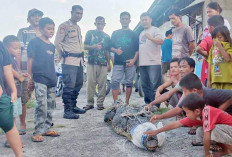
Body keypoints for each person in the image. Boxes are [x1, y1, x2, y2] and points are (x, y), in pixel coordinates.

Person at [145, 93, 232, 157]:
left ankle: (228, 149)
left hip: (229, 129)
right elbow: (176, 124)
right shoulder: (197, 114)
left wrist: (207, 155)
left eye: (187, 112)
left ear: (197, 111)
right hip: (225, 131)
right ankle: (225, 148)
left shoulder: (207, 112)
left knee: (210, 132)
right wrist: (157, 131)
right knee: (200, 131)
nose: (186, 115)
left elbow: (207, 136)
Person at [27, 17, 59, 142]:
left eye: (53, 29)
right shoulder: (34, 43)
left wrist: (54, 76)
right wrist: (30, 78)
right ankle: (37, 131)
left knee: (51, 105)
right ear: (41, 29)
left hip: (51, 78)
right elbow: (30, 60)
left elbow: (51, 62)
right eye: (49, 29)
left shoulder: (51, 46)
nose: (51, 31)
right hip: (40, 78)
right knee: (42, 105)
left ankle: (46, 128)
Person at [55, 5, 86, 119]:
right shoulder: (64, 26)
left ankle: (73, 106)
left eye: (81, 14)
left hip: (79, 61)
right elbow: (57, 42)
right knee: (69, 85)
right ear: (71, 12)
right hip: (69, 60)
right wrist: (62, 54)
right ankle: (67, 110)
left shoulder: (77, 27)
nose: (79, 15)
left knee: (79, 83)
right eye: (77, 13)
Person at [17, 8, 43, 135]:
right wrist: (18, 70)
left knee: (42, 97)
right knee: (24, 98)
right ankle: (22, 123)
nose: (37, 18)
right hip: (26, 70)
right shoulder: (24, 31)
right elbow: (18, 51)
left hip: (41, 70)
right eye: (34, 16)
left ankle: (42, 122)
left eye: (39, 16)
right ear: (28, 18)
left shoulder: (45, 33)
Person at [110, 11, 139, 105]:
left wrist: (134, 60)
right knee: (114, 82)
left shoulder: (134, 34)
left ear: (130, 20)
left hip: (130, 62)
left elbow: (137, 50)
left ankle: (126, 103)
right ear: (120, 20)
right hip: (118, 62)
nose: (124, 20)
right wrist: (115, 51)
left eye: (126, 19)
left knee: (129, 83)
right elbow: (109, 47)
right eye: (123, 18)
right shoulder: (115, 33)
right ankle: (115, 103)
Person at [0, 42, 23, 156]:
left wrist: (13, 90)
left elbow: (7, 69)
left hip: (1, 95)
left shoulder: (1, 46)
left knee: (9, 125)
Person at [83, 16, 111, 110]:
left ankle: (100, 103)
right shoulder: (90, 33)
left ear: (104, 24)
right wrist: (94, 46)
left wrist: (109, 63)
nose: (100, 25)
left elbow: (107, 51)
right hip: (91, 62)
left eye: (102, 23)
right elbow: (85, 46)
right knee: (90, 83)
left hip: (103, 63)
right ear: (95, 24)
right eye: (98, 23)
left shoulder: (107, 37)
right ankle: (89, 103)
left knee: (102, 84)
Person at [139, 12, 163, 106]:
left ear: (150, 20)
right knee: (145, 85)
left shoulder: (155, 30)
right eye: (142, 20)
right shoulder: (141, 33)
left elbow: (161, 41)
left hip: (153, 62)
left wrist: (151, 38)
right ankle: (148, 104)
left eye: (146, 19)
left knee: (155, 86)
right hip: (142, 63)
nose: (144, 22)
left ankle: (156, 105)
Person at [196, 15, 224, 86]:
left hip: (211, 77)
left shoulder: (208, 39)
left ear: (211, 28)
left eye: (208, 27)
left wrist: (206, 55)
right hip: (224, 76)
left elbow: (198, 48)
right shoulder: (227, 39)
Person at [207, 25, 232, 90]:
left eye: (219, 37)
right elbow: (210, 64)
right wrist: (209, 80)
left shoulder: (228, 45)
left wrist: (220, 47)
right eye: (215, 38)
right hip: (215, 80)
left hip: (227, 80)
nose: (217, 40)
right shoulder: (212, 48)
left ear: (226, 38)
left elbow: (228, 58)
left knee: (228, 98)